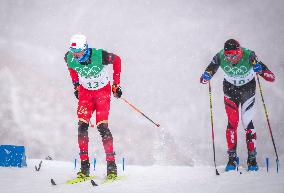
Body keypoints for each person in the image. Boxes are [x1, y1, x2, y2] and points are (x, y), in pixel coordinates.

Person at [200, 39, 275, 171]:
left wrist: (261, 70)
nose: (231, 59)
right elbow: (204, 77)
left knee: (246, 122)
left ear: (240, 51)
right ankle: (232, 159)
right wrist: (206, 76)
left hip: (248, 89)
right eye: (228, 56)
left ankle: (252, 159)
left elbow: (271, 77)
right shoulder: (220, 56)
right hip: (230, 90)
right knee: (232, 123)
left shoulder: (249, 55)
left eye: (234, 55)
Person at [64, 34, 122, 179]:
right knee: (82, 126)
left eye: (78, 52)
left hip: (102, 93)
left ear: (85, 49)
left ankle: (111, 167)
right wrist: (76, 85)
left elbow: (117, 60)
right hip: (85, 94)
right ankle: (84, 169)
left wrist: (116, 84)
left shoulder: (99, 55)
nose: (76, 55)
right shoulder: (69, 57)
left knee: (102, 127)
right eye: (73, 52)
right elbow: (71, 68)